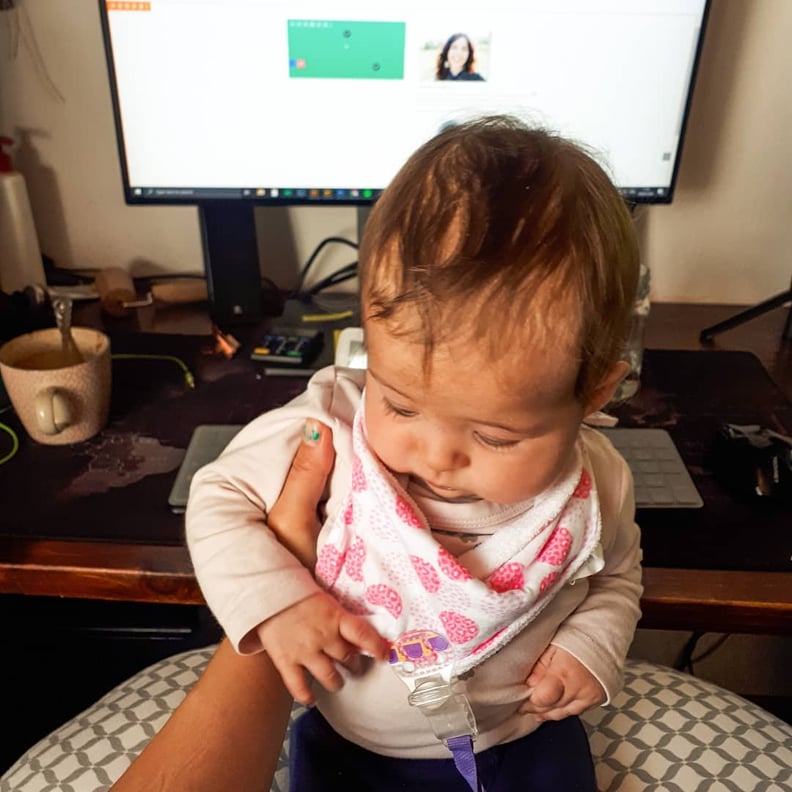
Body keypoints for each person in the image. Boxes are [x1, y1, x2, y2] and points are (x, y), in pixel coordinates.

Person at [184, 116, 643, 791]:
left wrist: (590, 645)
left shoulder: (597, 480)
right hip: (350, 741)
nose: (436, 455)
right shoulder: (331, 430)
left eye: (494, 435)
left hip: (520, 738)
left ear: (592, 392)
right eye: (399, 403)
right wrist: (279, 603)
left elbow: (617, 576)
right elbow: (218, 499)